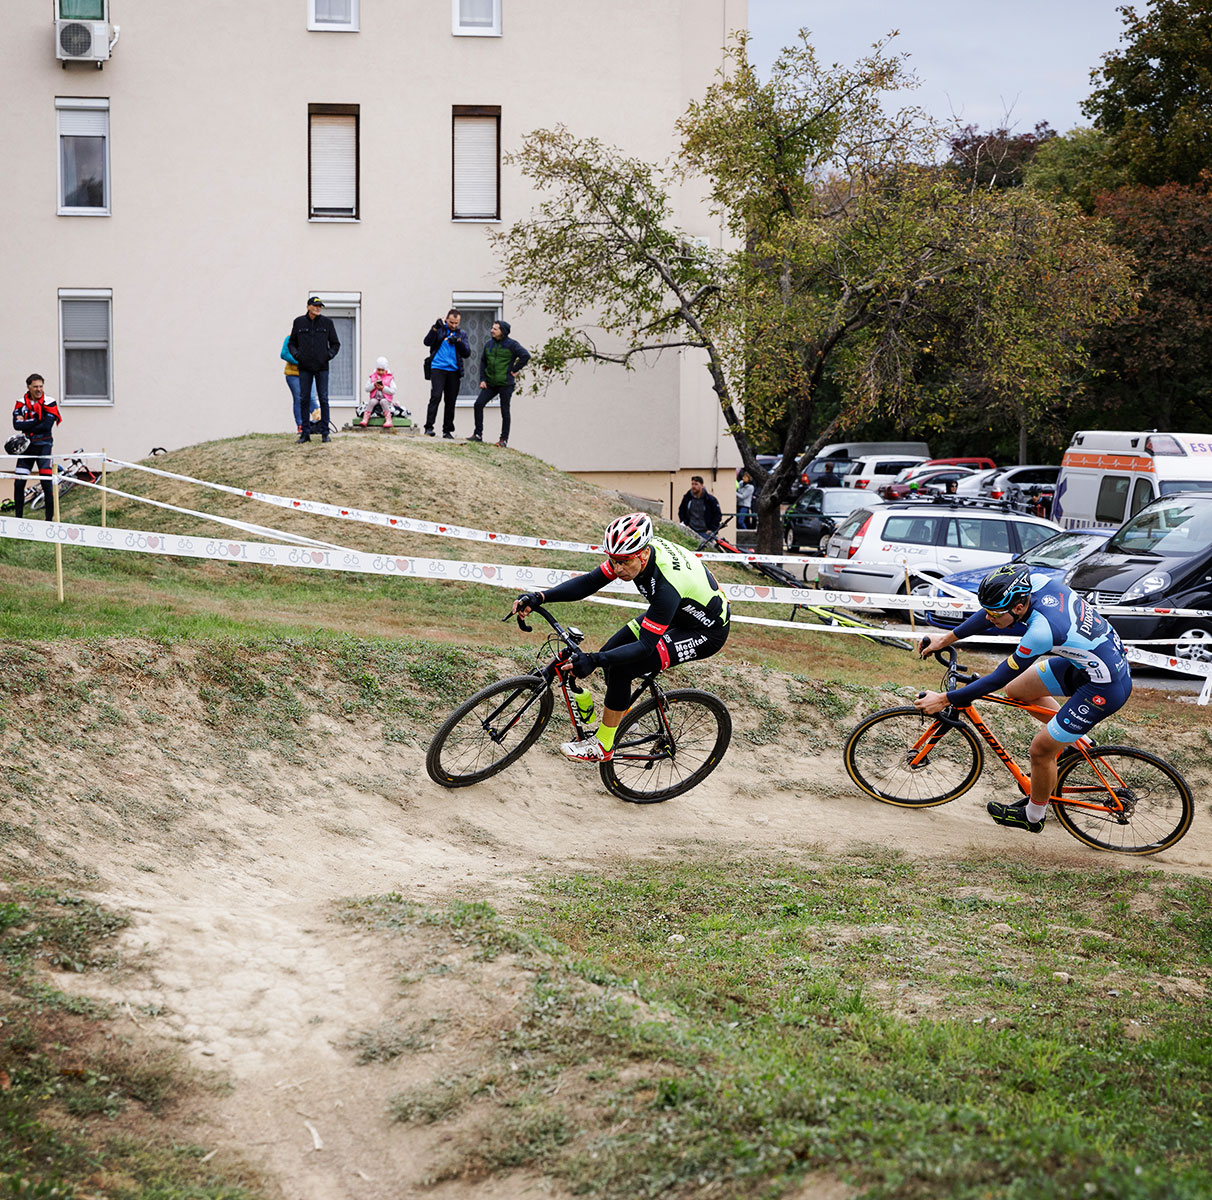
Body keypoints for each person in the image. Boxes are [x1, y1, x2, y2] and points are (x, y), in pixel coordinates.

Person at [914, 563, 1132, 834]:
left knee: (1040, 750)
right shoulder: (1034, 584)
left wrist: (946, 699)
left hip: (1104, 687)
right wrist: (946, 639)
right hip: (1090, 666)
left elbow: (996, 679)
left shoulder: (1041, 632)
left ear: (1018, 608)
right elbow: (989, 617)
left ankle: (1032, 815)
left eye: (996, 614)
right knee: (1019, 690)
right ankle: (1077, 743)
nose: (990, 618)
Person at [512, 513, 730, 763]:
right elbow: (590, 582)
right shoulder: (632, 552)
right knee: (612, 651)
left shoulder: (666, 585)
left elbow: (645, 646)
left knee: (621, 669)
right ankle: (621, 722)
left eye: (624, 563)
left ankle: (604, 746)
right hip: (678, 614)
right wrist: (541, 597)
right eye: (613, 561)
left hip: (705, 631)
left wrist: (593, 659)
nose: (617, 569)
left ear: (644, 554)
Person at [288, 297, 340, 443]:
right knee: (303, 399)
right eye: (315, 306)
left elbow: (336, 344)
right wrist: (297, 355)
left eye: (320, 306)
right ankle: (305, 433)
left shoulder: (327, 323)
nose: (318, 308)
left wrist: (327, 356)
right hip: (304, 367)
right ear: (308, 307)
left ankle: (325, 433)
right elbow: (292, 343)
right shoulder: (299, 322)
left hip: (322, 367)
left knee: (323, 399)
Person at [470, 320, 529, 447]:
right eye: (492, 328)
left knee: (505, 411)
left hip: (506, 383)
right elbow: (483, 362)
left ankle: (503, 439)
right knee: (478, 404)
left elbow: (525, 355)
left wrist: (514, 369)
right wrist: (482, 379)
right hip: (490, 383)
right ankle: (478, 434)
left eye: (495, 329)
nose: (492, 330)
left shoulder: (512, 345)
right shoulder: (489, 344)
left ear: (503, 331)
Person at [10, 374, 60, 520]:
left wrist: (28, 422)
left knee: (46, 483)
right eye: (35, 386)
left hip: (44, 446)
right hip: (26, 447)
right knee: (19, 483)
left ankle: (49, 521)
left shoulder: (49, 402)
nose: (39, 389)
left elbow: (46, 426)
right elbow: (16, 425)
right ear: (28, 387)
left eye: (41, 386)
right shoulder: (20, 403)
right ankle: (18, 519)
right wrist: (37, 419)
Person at [422, 309, 470, 439]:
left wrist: (458, 342)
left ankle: (447, 430)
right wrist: (434, 329)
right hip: (438, 368)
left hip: (454, 371)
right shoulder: (440, 330)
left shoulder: (462, 334)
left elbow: (467, 353)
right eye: (451, 322)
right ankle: (429, 427)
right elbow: (427, 342)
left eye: (456, 323)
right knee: (435, 396)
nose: (454, 325)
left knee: (450, 401)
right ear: (446, 320)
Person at [280, 336, 318, 437]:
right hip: (293, 375)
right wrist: (300, 361)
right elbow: (284, 354)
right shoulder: (290, 338)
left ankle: (318, 422)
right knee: (299, 399)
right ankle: (301, 425)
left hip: (309, 373)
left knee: (312, 398)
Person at [361, 356, 397, 428]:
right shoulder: (372, 377)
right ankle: (365, 418)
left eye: (382, 370)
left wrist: (383, 388)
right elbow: (367, 389)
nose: (380, 372)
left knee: (383, 401)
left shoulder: (389, 378)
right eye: (379, 370)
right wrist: (373, 385)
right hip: (375, 397)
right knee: (372, 402)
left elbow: (393, 390)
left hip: (385, 399)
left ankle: (388, 419)